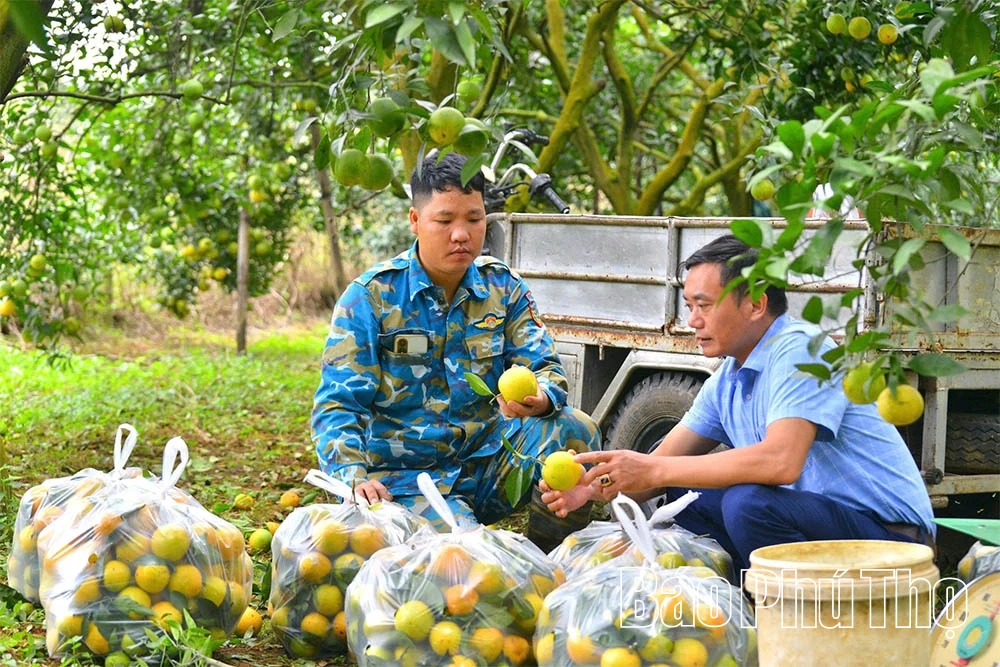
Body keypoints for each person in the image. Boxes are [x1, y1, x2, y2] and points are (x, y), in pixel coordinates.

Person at [543, 234, 936, 573]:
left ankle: (785, 620)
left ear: (755, 305)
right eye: (689, 307)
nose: (692, 320)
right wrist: (594, 487)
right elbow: (660, 469)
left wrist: (656, 467)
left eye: (704, 305)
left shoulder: (801, 349)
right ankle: (728, 602)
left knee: (748, 503)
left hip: (892, 540)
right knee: (685, 496)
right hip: (824, 526)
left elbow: (781, 462)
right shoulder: (728, 378)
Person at [311, 151, 599, 551]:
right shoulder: (371, 298)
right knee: (462, 557)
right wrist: (352, 476)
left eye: (474, 219)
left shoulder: (504, 288)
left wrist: (541, 398)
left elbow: (545, 366)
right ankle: (467, 536)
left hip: (486, 465)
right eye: (444, 220)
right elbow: (339, 404)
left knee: (574, 430)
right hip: (406, 481)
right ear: (415, 221)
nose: (461, 234)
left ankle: (552, 559)